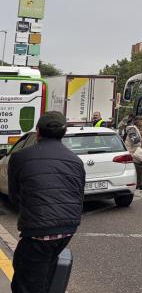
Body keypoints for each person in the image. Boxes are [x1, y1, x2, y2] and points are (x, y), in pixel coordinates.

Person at [9, 111, 86, 293]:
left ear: (38, 132)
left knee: (26, 283)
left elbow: (14, 195)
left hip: (38, 230)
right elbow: (78, 193)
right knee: (41, 272)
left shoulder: (20, 157)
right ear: (64, 133)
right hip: (67, 229)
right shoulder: (75, 161)